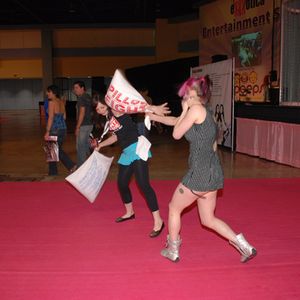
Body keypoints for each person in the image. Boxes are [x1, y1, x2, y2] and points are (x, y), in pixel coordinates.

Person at [147, 75, 257, 262]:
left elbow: (176, 133)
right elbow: (176, 122)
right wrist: (152, 116)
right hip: (212, 173)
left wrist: (183, 111)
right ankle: (245, 246)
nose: (184, 94)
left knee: (174, 208)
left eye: (187, 91)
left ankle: (172, 250)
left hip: (199, 173)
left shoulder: (194, 109)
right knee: (208, 220)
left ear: (193, 92)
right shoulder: (203, 112)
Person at [92, 93, 169, 237]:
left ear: (108, 103)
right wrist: (100, 145)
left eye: (102, 107)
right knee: (121, 184)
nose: (101, 110)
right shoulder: (109, 117)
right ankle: (130, 212)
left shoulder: (116, 110)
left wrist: (151, 108)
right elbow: (116, 136)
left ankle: (159, 221)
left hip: (137, 149)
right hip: (127, 152)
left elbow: (133, 106)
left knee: (144, 185)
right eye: (97, 109)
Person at [44, 85, 76, 176]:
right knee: (53, 151)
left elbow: (50, 117)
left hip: (54, 129)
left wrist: (47, 131)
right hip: (63, 129)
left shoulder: (51, 102)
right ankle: (53, 172)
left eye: (48, 92)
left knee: (54, 150)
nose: (47, 93)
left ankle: (71, 165)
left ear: (53, 92)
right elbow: (64, 117)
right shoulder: (61, 102)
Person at [73, 81, 93, 167]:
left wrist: (77, 127)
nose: (74, 90)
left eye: (76, 88)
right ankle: (92, 161)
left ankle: (81, 167)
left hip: (83, 125)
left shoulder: (81, 98)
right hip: (90, 125)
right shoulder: (88, 96)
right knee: (85, 145)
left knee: (80, 147)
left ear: (82, 88)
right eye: (74, 88)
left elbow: (82, 113)